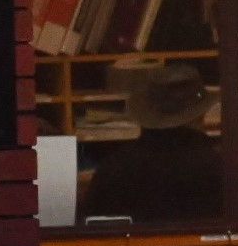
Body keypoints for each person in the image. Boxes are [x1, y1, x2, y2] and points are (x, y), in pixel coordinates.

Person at [80, 59, 223, 225]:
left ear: (146, 113)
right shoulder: (219, 169)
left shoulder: (113, 169)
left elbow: (91, 224)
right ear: (200, 116)